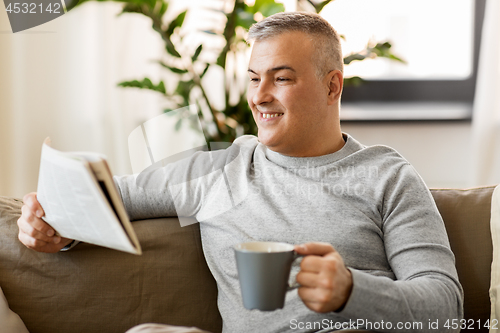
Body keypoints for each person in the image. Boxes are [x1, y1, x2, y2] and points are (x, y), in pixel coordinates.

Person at [17, 12, 463, 333]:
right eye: (254, 78)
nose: (260, 96)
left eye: (281, 78)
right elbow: (104, 195)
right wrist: (50, 222)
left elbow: (446, 307)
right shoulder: (218, 169)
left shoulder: (386, 175)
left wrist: (352, 292)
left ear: (332, 85)